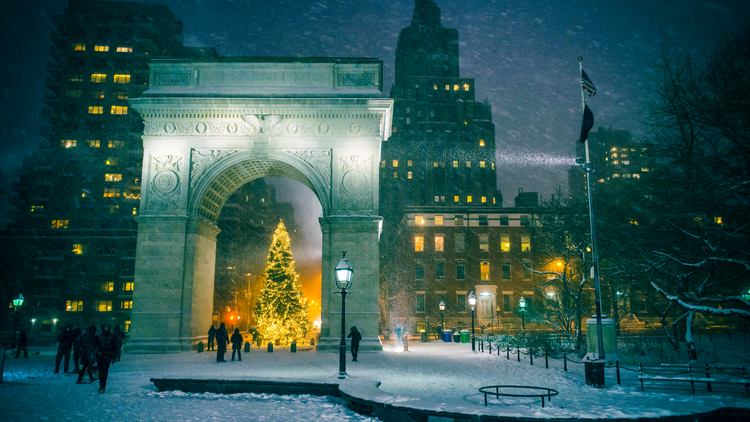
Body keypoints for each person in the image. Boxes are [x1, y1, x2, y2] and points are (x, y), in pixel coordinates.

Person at [94, 322, 119, 393]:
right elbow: (94, 346)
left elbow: (115, 347)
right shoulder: (98, 336)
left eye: (107, 327)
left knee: (104, 372)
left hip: (107, 356)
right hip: (100, 356)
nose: (106, 329)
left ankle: (103, 387)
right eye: (105, 327)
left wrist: (114, 357)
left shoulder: (112, 336)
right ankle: (101, 386)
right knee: (100, 372)